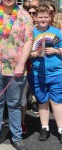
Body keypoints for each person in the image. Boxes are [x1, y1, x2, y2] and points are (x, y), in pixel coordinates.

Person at [0, 0, 33, 149]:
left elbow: (28, 41)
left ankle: (17, 137)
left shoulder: (25, 16)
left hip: (16, 68)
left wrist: (22, 63)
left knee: (15, 104)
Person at [29, 5, 62, 143]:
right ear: (35, 17)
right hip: (37, 74)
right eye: (40, 17)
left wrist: (55, 51)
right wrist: (35, 53)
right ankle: (44, 128)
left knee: (57, 101)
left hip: (56, 73)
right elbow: (25, 54)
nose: (43, 20)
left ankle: (60, 129)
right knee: (42, 101)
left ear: (50, 17)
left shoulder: (57, 32)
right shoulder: (31, 33)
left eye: (45, 17)